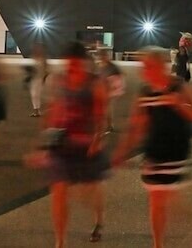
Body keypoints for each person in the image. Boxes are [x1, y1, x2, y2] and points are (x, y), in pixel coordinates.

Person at [113, 47, 192, 248]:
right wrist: (122, 151)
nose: (144, 70)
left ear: (162, 66)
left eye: (149, 66)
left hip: (176, 151)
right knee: (158, 199)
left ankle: (190, 224)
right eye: (144, 66)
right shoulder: (145, 92)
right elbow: (137, 124)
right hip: (153, 152)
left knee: (162, 197)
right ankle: (160, 243)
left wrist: (179, 104)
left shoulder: (179, 87)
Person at [45, 42, 109, 245]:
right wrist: (46, 142)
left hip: (87, 145)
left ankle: (98, 222)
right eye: (68, 63)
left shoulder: (95, 83)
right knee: (59, 191)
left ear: (83, 62)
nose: (70, 67)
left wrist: (97, 139)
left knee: (91, 190)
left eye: (74, 63)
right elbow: (55, 110)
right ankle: (60, 242)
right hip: (62, 144)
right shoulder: (60, 80)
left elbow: (100, 115)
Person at [96, 49, 125, 133]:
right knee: (104, 108)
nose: (102, 58)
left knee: (106, 108)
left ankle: (108, 125)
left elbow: (119, 79)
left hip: (109, 90)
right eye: (101, 56)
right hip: (103, 89)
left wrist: (117, 89)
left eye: (103, 56)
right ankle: (108, 125)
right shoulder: (101, 66)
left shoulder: (112, 67)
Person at [27, 44, 49, 117]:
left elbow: (46, 70)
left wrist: (44, 79)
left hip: (39, 79)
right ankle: (36, 111)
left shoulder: (43, 59)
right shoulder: (33, 58)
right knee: (34, 95)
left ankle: (37, 111)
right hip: (34, 79)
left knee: (37, 95)